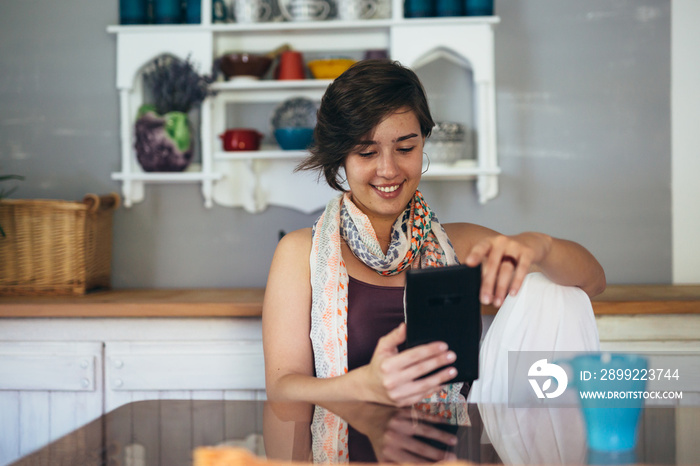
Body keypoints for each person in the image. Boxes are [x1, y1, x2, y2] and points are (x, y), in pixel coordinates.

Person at [262, 59, 606, 408]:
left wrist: (540, 245)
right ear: (341, 158)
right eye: (367, 152)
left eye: (406, 148)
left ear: (424, 143)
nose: (389, 169)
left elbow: (591, 282)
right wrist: (360, 386)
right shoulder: (300, 253)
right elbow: (283, 386)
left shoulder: (464, 247)